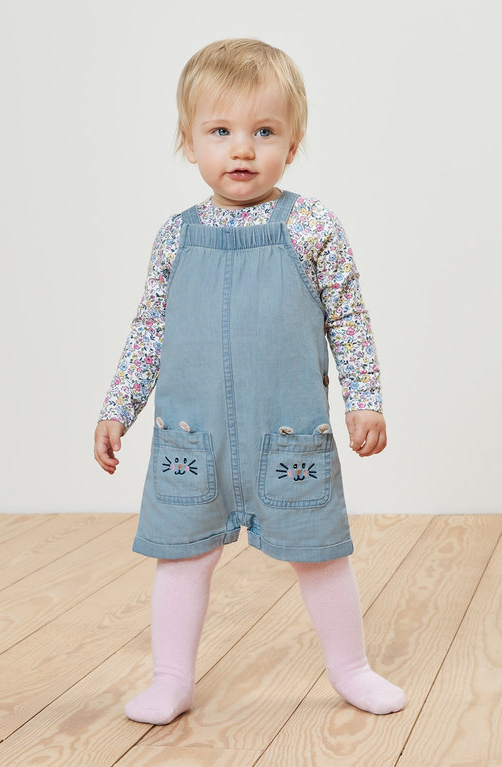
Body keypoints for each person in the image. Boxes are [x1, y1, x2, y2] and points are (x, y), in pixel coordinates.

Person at [94, 38, 404, 725]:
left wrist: (366, 400)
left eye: (264, 132)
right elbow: (149, 328)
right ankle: (171, 678)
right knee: (181, 557)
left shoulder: (313, 226)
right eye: (221, 131)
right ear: (189, 141)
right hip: (193, 440)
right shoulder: (175, 237)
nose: (242, 149)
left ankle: (351, 667)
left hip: (285, 436)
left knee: (320, 554)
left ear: (291, 145)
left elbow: (348, 317)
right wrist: (118, 407)